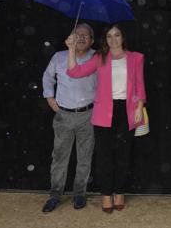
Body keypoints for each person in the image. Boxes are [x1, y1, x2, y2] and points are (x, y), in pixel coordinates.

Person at [66, 24, 146, 213]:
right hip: (104, 113)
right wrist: (71, 49)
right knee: (104, 158)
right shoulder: (100, 57)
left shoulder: (136, 58)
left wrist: (139, 107)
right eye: (109, 36)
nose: (113, 39)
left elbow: (140, 86)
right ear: (105, 39)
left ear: (123, 37)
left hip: (127, 110)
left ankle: (119, 192)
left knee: (123, 157)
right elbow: (74, 72)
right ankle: (106, 195)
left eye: (117, 35)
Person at [41, 23, 97, 213]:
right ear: (70, 37)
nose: (81, 38)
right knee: (59, 157)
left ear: (92, 40)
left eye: (85, 35)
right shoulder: (59, 57)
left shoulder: (97, 58)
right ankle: (55, 195)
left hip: (88, 115)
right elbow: (48, 77)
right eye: (77, 34)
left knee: (84, 157)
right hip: (63, 115)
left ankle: (79, 193)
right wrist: (49, 98)